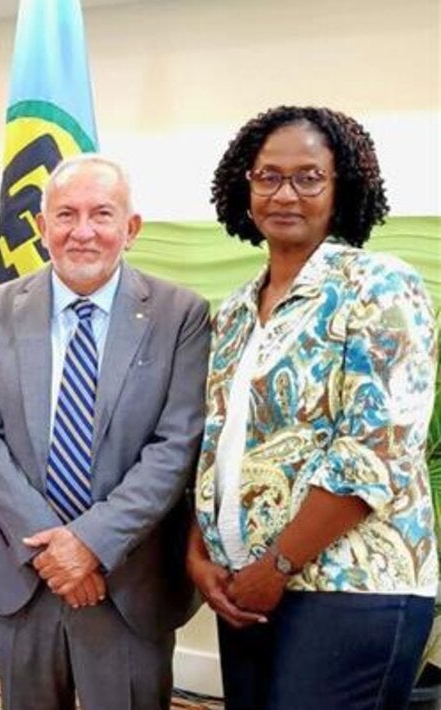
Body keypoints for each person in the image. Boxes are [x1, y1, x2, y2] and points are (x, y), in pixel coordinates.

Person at [187, 106, 437, 710]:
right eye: (268, 176)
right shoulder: (236, 310)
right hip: (245, 583)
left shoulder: (378, 285)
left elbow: (374, 453)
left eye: (308, 177)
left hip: (351, 586)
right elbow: (219, 442)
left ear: (341, 187)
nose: (285, 194)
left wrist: (278, 565)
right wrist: (199, 553)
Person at [0, 154, 210, 709]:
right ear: (42, 226)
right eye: (66, 214)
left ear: (131, 227)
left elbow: (176, 445)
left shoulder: (180, 314)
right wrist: (53, 548)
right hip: (21, 573)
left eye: (102, 214)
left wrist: (91, 543)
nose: (83, 231)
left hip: (128, 577)